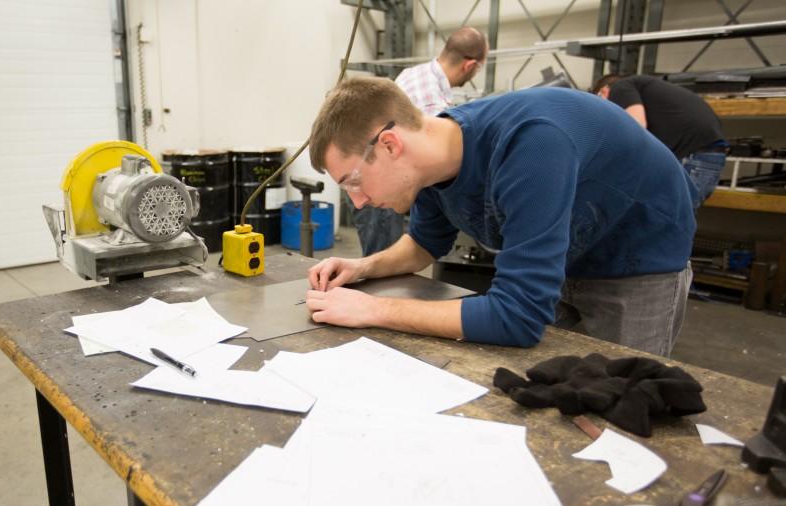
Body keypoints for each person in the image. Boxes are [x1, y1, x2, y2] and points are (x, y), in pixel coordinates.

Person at [305, 77, 698, 357]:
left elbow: (518, 317)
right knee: (548, 386)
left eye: (353, 181)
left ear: (389, 145)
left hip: (639, 255)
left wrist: (373, 311)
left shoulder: (529, 146)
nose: (357, 202)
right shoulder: (431, 166)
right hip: (570, 253)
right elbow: (424, 245)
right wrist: (361, 269)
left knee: (620, 402)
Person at [349, 27, 488, 258]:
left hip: (367, 175)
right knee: (385, 259)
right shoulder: (433, 100)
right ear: (470, 66)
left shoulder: (413, 74)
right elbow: (432, 160)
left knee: (380, 257)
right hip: (379, 181)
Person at [592, 74, 727, 208]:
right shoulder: (654, 97)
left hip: (691, 154)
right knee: (675, 219)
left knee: (661, 218)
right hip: (711, 155)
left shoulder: (620, 87)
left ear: (603, 91)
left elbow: (636, 128)